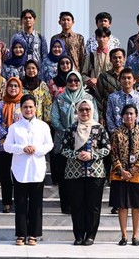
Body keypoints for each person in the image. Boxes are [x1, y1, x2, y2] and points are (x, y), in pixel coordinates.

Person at [4, 94, 53, 246]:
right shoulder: (14, 127)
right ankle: (20, 234)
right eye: (25, 107)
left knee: (36, 203)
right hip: (20, 170)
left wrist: (36, 149)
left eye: (31, 106)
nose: (28, 109)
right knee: (20, 202)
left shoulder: (43, 126)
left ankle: (33, 234)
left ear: (35, 108)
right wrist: (22, 148)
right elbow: (7, 146)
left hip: (37, 168)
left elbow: (49, 145)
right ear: (21, 108)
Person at [61, 99, 110, 246]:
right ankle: (78, 235)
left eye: (87, 109)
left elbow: (107, 147)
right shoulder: (71, 129)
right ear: (77, 111)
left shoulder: (99, 128)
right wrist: (76, 155)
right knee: (77, 205)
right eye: (81, 109)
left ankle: (90, 235)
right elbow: (63, 149)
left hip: (95, 173)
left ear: (92, 110)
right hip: (74, 173)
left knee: (93, 205)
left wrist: (92, 155)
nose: (84, 112)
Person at [50, 71, 98, 214]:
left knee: (82, 178)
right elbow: (54, 119)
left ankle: (81, 205)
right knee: (64, 176)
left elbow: (94, 117)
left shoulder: (88, 98)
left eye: (76, 80)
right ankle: (66, 206)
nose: (73, 83)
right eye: (70, 80)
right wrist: (69, 133)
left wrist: (79, 133)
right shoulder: (60, 99)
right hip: (63, 142)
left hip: (85, 143)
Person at [109, 104, 139, 247]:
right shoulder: (116, 133)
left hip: (138, 174)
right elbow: (113, 153)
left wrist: (133, 170)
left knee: (137, 206)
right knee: (122, 206)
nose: (129, 116)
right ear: (122, 116)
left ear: (137, 116)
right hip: (120, 174)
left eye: (132, 113)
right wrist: (121, 170)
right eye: (126, 113)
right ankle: (123, 236)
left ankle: (135, 235)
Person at [0, 77, 23, 213]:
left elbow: (27, 122)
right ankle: (6, 202)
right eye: (11, 86)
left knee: (18, 174)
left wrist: (17, 136)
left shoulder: (23, 104)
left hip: (19, 144)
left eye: (16, 86)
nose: (13, 88)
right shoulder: (0, 104)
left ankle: (19, 200)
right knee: (5, 174)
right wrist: (8, 134)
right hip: (3, 143)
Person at [106, 68, 139, 134]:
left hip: (138, 135)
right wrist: (115, 133)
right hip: (118, 136)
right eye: (124, 78)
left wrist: (138, 133)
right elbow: (109, 117)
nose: (126, 80)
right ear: (119, 80)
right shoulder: (112, 97)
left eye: (129, 78)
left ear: (134, 80)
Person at [81, 27, 113, 96]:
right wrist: (89, 80)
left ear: (109, 38)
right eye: (99, 36)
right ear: (96, 38)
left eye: (104, 37)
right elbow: (83, 75)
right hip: (94, 91)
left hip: (109, 91)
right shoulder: (91, 55)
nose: (101, 39)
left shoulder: (113, 55)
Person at [96, 48, 126, 117]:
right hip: (109, 115)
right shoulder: (103, 76)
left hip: (126, 116)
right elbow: (98, 98)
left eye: (120, 57)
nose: (117, 60)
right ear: (110, 60)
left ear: (124, 59)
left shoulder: (129, 76)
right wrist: (100, 116)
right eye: (114, 58)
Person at [21, 60, 52, 124]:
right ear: (25, 70)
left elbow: (47, 104)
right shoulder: (20, 84)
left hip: (39, 121)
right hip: (22, 120)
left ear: (37, 70)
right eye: (28, 68)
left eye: (33, 68)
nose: (31, 70)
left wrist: (47, 121)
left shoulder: (42, 85)